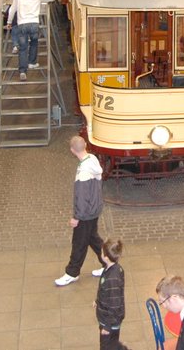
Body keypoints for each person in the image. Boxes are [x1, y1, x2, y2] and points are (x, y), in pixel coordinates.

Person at [55, 136, 108, 286]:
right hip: (95, 208)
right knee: (93, 239)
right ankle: (108, 263)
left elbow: (82, 197)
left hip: (86, 213)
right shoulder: (92, 158)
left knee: (79, 243)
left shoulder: (83, 171)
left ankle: (72, 272)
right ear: (85, 145)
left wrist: (76, 217)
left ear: (72, 151)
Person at [6, 0, 55, 81]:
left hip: (22, 25)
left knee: (23, 48)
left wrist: (9, 22)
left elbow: (12, 10)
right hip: (34, 24)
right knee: (34, 42)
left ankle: (23, 71)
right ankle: (32, 62)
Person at [94, 238, 130, 350]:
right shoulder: (114, 268)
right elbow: (106, 292)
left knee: (106, 346)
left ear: (105, 257)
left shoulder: (112, 278)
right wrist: (98, 301)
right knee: (112, 343)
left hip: (109, 322)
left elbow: (115, 304)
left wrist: (107, 327)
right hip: (107, 318)